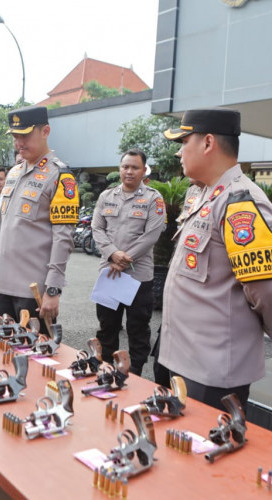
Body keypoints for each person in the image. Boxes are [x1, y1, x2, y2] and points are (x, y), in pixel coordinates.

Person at [159, 108, 272, 410]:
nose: (179, 153)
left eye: (184, 142)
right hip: (182, 356)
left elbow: (266, 289)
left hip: (213, 370)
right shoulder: (204, 195)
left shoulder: (241, 201)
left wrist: (270, 329)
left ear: (207, 143)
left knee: (207, 449)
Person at [0, 106, 79, 333]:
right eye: (15, 136)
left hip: (32, 292)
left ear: (45, 131)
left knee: (36, 356)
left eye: (25, 135)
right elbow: (2, 225)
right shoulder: (14, 173)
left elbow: (63, 238)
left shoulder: (60, 176)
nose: (19, 142)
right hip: (2, 287)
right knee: (1, 351)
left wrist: (53, 289)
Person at [91, 149, 166, 376]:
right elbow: (97, 228)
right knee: (107, 327)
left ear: (144, 170)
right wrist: (113, 254)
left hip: (138, 277)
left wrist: (122, 260)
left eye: (135, 167)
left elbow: (151, 236)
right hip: (110, 274)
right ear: (119, 169)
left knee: (138, 329)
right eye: (125, 167)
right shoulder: (107, 196)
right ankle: (104, 370)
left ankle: (134, 374)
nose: (129, 171)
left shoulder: (154, 198)